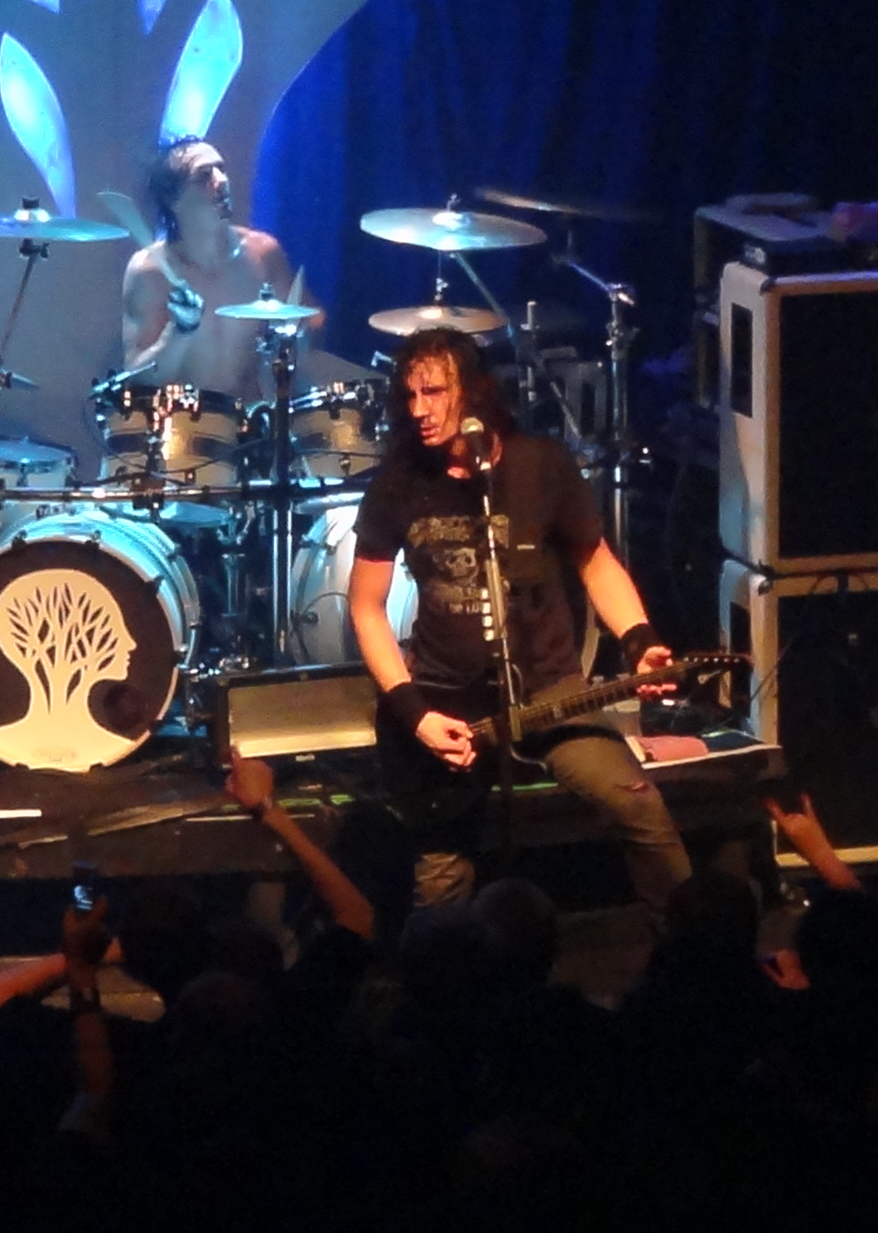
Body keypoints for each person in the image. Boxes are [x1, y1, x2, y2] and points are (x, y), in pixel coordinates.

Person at [346, 327, 691, 915]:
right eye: (410, 396)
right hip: (447, 702)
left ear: (475, 393)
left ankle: (695, 944)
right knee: (443, 875)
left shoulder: (541, 465)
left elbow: (595, 562)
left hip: (549, 692)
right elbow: (365, 605)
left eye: (434, 392)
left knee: (638, 804)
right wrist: (415, 713)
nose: (419, 410)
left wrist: (640, 640)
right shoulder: (398, 484)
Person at [117, 134, 316, 404]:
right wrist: (178, 332)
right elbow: (137, 377)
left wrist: (296, 341)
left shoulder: (263, 253)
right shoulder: (149, 271)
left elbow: (306, 331)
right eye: (203, 176)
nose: (222, 181)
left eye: (221, 169)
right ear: (173, 199)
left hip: (251, 421)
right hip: (184, 425)